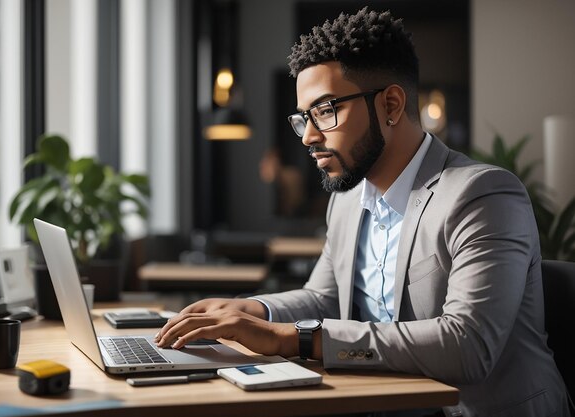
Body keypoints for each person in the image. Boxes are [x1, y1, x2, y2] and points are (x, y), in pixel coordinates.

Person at [155, 6, 571, 416]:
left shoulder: (482, 194)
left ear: (391, 105)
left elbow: (468, 346)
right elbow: (323, 297)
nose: (309, 137)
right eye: (304, 118)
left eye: (325, 110)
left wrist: (290, 338)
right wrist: (253, 311)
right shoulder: (347, 200)